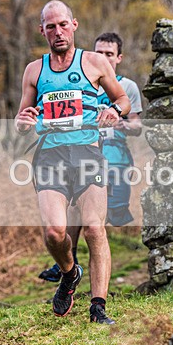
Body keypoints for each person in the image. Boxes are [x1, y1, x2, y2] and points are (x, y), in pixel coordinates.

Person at [15, 0, 131, 325]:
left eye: (63, 24)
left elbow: (122, 98)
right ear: (42, 31)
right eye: (50, 27)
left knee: (95, 228)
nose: (58, 32)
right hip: (50, 155)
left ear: (74, 25)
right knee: (54, 233)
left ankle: (98, 308)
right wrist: (22, 121)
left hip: (88, 154)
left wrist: (114, 111)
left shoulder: (94, 63)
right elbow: (22, 118)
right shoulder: (34, 71)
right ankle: (69, 272)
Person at [38, 32, 143, 283]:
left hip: (114, 157)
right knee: (74, 209)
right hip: (83, 153)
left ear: (119, 57)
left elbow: (137, 125)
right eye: (99, 52)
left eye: (109, 54)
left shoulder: (126, 87)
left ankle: (111, 266)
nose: (103, 57)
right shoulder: (84, 77)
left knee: (100, 222)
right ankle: (67, 264)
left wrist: (120, 121)